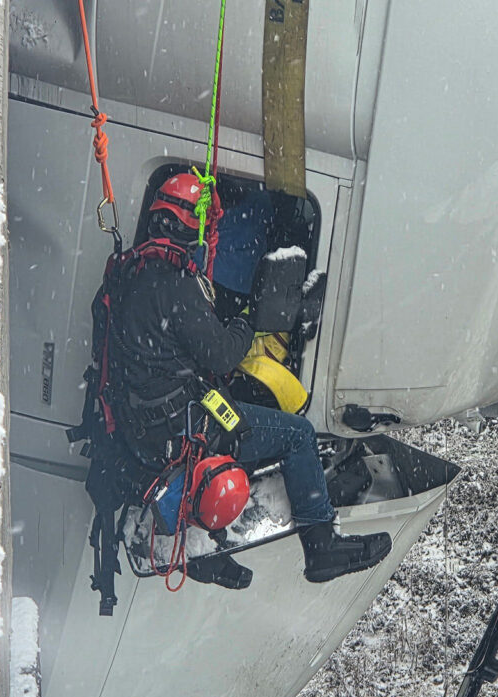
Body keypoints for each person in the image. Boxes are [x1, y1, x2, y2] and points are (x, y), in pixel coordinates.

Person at [103, 172, 392, 589]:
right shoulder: (177, 285)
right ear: (189, 225)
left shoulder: (131, 272)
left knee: (239, 416)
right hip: (182, 426)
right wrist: (250, 319)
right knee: (296, 435)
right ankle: (322, 544)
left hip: (143, 427)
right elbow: (221, 352)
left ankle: (201, 545)